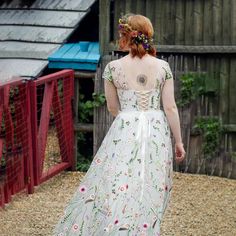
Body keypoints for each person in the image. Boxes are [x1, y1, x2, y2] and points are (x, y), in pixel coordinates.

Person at [53, 14, 185, 236]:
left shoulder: (113, 68)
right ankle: (143, 229)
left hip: (125, 126)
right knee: (149, 181)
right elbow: (170, 108)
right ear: (148, 35)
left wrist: (130, 117)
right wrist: (179, 141)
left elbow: (113, 107)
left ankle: (114, 227)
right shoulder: (163, 67)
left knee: (118, 178)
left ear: (125, 36)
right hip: (155, 129)